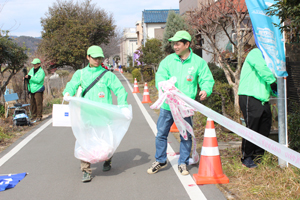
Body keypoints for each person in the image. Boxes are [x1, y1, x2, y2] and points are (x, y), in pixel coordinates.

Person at [147, 30, 215, 176]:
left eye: (178, 44)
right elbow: (160, 76)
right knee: (161, 133)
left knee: (186, 135)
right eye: (173, 44)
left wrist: (205, 90)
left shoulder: (198, 62)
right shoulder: (168, 60)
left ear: (187, 44)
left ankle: (183, 162)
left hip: (185, 106)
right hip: (168, 105)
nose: (175, 47)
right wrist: (163, 85)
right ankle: (160, 160)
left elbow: (207, 79)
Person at [63, 45, 131, 182]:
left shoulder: (108, 75)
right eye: (94, 58)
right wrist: (67, 92)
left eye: (99, 58)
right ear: (88, 57)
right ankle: (86, 170)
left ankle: (107, 160)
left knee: (106, 142)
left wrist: (123, 105)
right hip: (86, 116)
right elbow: (72, 84)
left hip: (104, 116)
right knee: (84, 142)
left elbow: (120, 90)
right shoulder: (81, 74)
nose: (97, 60)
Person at [238, 48, 276, 168]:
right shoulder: (255, 52)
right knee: (252, 127)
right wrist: (273, 82)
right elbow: (262, 69)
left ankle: (258, 157)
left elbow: (267, 80)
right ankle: (247, 157)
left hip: (263, 99)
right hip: (250, 95)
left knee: (264, 127)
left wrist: (276, 91)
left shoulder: (269, 60)